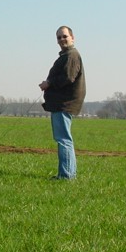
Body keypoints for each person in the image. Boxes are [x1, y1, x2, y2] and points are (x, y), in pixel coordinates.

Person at [38, 26, 86, 180]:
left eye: (65, 36)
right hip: (61, 103)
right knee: (64, 139)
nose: (62, 40)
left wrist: (49, 83)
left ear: (72, 37)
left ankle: (66, 175)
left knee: (63, 139)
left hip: (64, 103)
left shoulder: (71, 55)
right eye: (59, 37)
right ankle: (67, 174)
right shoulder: (67, 55)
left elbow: (68, 78)